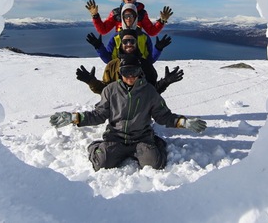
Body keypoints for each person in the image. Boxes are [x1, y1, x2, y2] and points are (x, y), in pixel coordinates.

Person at [50, 58, 207, 171]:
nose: (130, 77)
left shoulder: (149, 91)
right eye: (126, 72)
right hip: (116, 138)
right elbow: (98, 114)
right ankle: (96, 147)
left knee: (155, 165)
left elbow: (163, 116)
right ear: (120, 73)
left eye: (134, 72)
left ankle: (156, 144)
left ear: (140, 72)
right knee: (100, 164)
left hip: (141, 138)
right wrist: (73, 118)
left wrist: (183, 122)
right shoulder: (110, 90)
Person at [77, 30, 182, 95]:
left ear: (136, 43)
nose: (128, 44)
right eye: (125, 41)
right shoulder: (112, 65)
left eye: (132, 41)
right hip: (117, 112)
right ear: (121, 44)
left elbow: (152, 92)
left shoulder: (145, 64)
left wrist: (165, 82)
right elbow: (106, 91)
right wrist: (91, 82)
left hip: (141, 112)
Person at [85, 3, 172, 64]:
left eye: (131, 16)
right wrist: (99, 47)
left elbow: (149, 60)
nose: (129, 19)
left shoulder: (144, 37)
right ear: (122, 18)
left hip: (140, 75)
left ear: (136, 17)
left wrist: (158, 49)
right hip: (119, 75)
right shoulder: (116, 37)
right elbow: (109, 60)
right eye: (126, 16)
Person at [85, 0, 172, 36]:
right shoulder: (116, 13)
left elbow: (151, 31)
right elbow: (103, 30)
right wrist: (95, 16)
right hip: (120, 47)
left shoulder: (141, 13)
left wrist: (161, 21)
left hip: (137, 47)